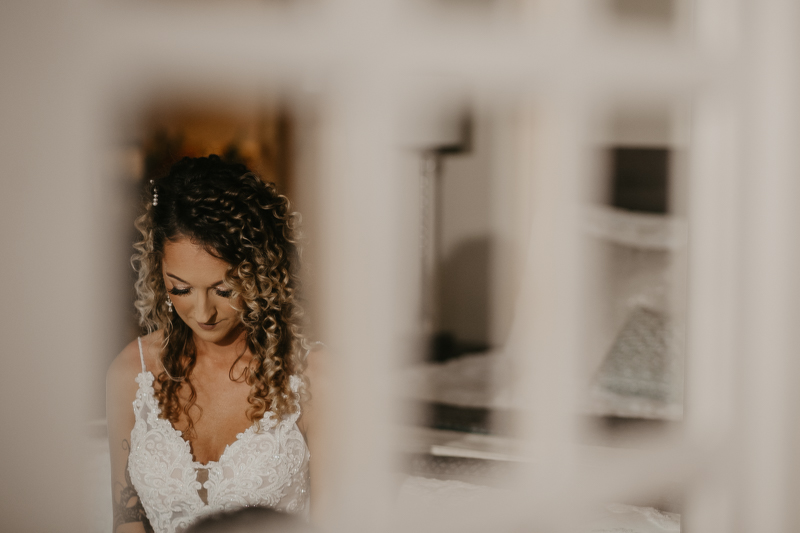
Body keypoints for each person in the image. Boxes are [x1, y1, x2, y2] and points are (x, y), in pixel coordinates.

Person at [106, 155, 323, 533]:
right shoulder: (132, 371)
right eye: (181, 289)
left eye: (224, 289)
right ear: (160, 273)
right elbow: (127, 521)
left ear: (262, 271)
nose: (203, 312)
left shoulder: (314, 376)